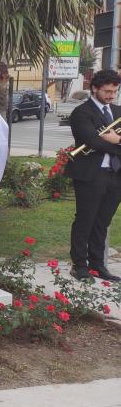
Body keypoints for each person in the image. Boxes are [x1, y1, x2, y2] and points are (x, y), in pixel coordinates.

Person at [65, 69, 121, 282]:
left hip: (115, 175)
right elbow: (92, 141)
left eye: (115, 91)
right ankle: (79, 265)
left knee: (102, 222)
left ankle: (98, 265)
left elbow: (104, 143)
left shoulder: (117, 111)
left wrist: (115, 141)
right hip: (90, 175)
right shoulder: (82, 113)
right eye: (107, 91)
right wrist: (115, 142)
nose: (111, 95)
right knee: (85, 220)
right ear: (95, 88)